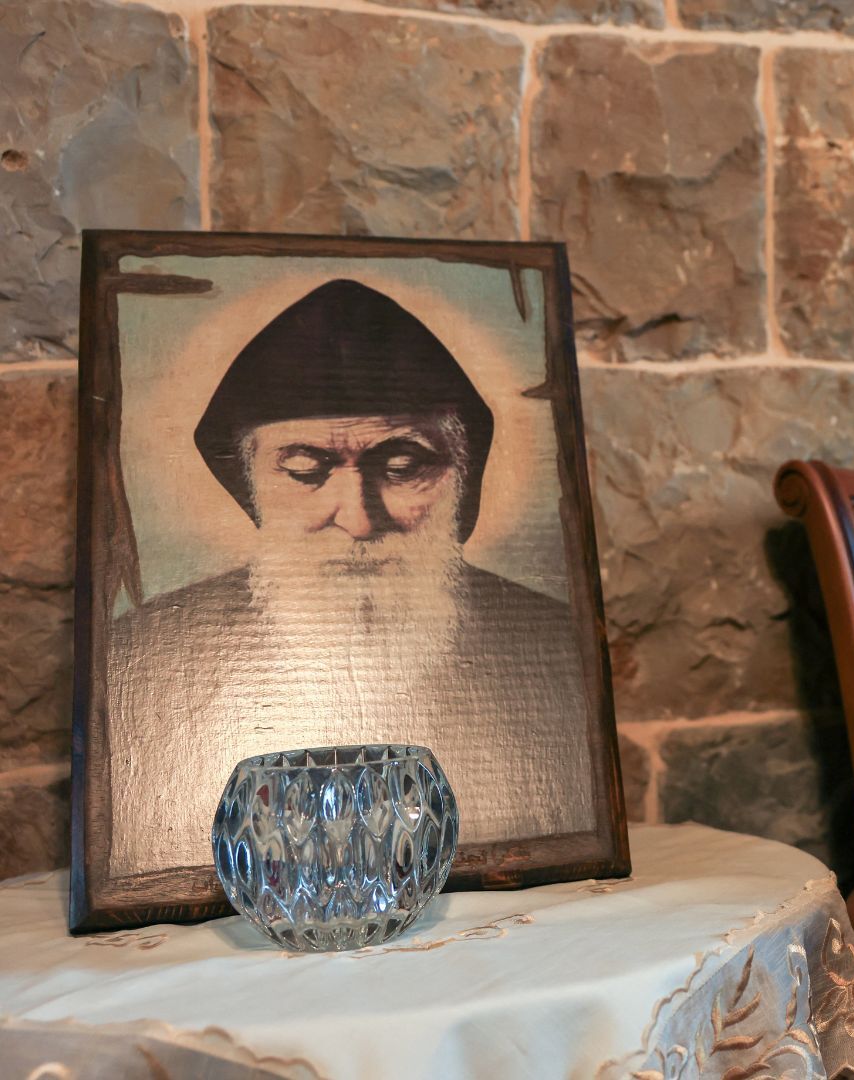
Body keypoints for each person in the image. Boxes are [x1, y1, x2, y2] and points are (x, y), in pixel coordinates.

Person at [106, 280, 595, 880]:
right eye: (306, 471)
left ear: (464, 478)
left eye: (402, 466)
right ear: (250, 485)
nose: (359, 519)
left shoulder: (558, 645)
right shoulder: (144, 655)